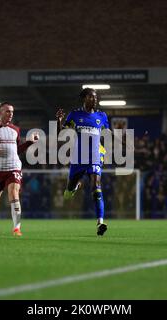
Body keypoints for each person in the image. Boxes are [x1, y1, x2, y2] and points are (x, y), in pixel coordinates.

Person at [56, 88, 110, 236]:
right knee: (68, 192)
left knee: (96, 187)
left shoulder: (102, 116)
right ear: (84, 98)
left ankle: (100, 222)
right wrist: (59, 121)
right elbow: (62, 132)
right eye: (91, 97)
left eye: (96, 97)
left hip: (95, 157)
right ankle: (75, 187)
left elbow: (108, 134)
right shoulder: (75, 114)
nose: (95, 99)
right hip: (78, 158)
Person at [0, 102, 38, 236]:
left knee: (14, 193)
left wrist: (30, 142)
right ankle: (0, 189)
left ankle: (17, 228)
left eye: (12, 112)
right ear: (0, 113)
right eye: (7, 111)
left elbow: (17, 150)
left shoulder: (16, 130)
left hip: (13, 168)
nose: (10, 114)